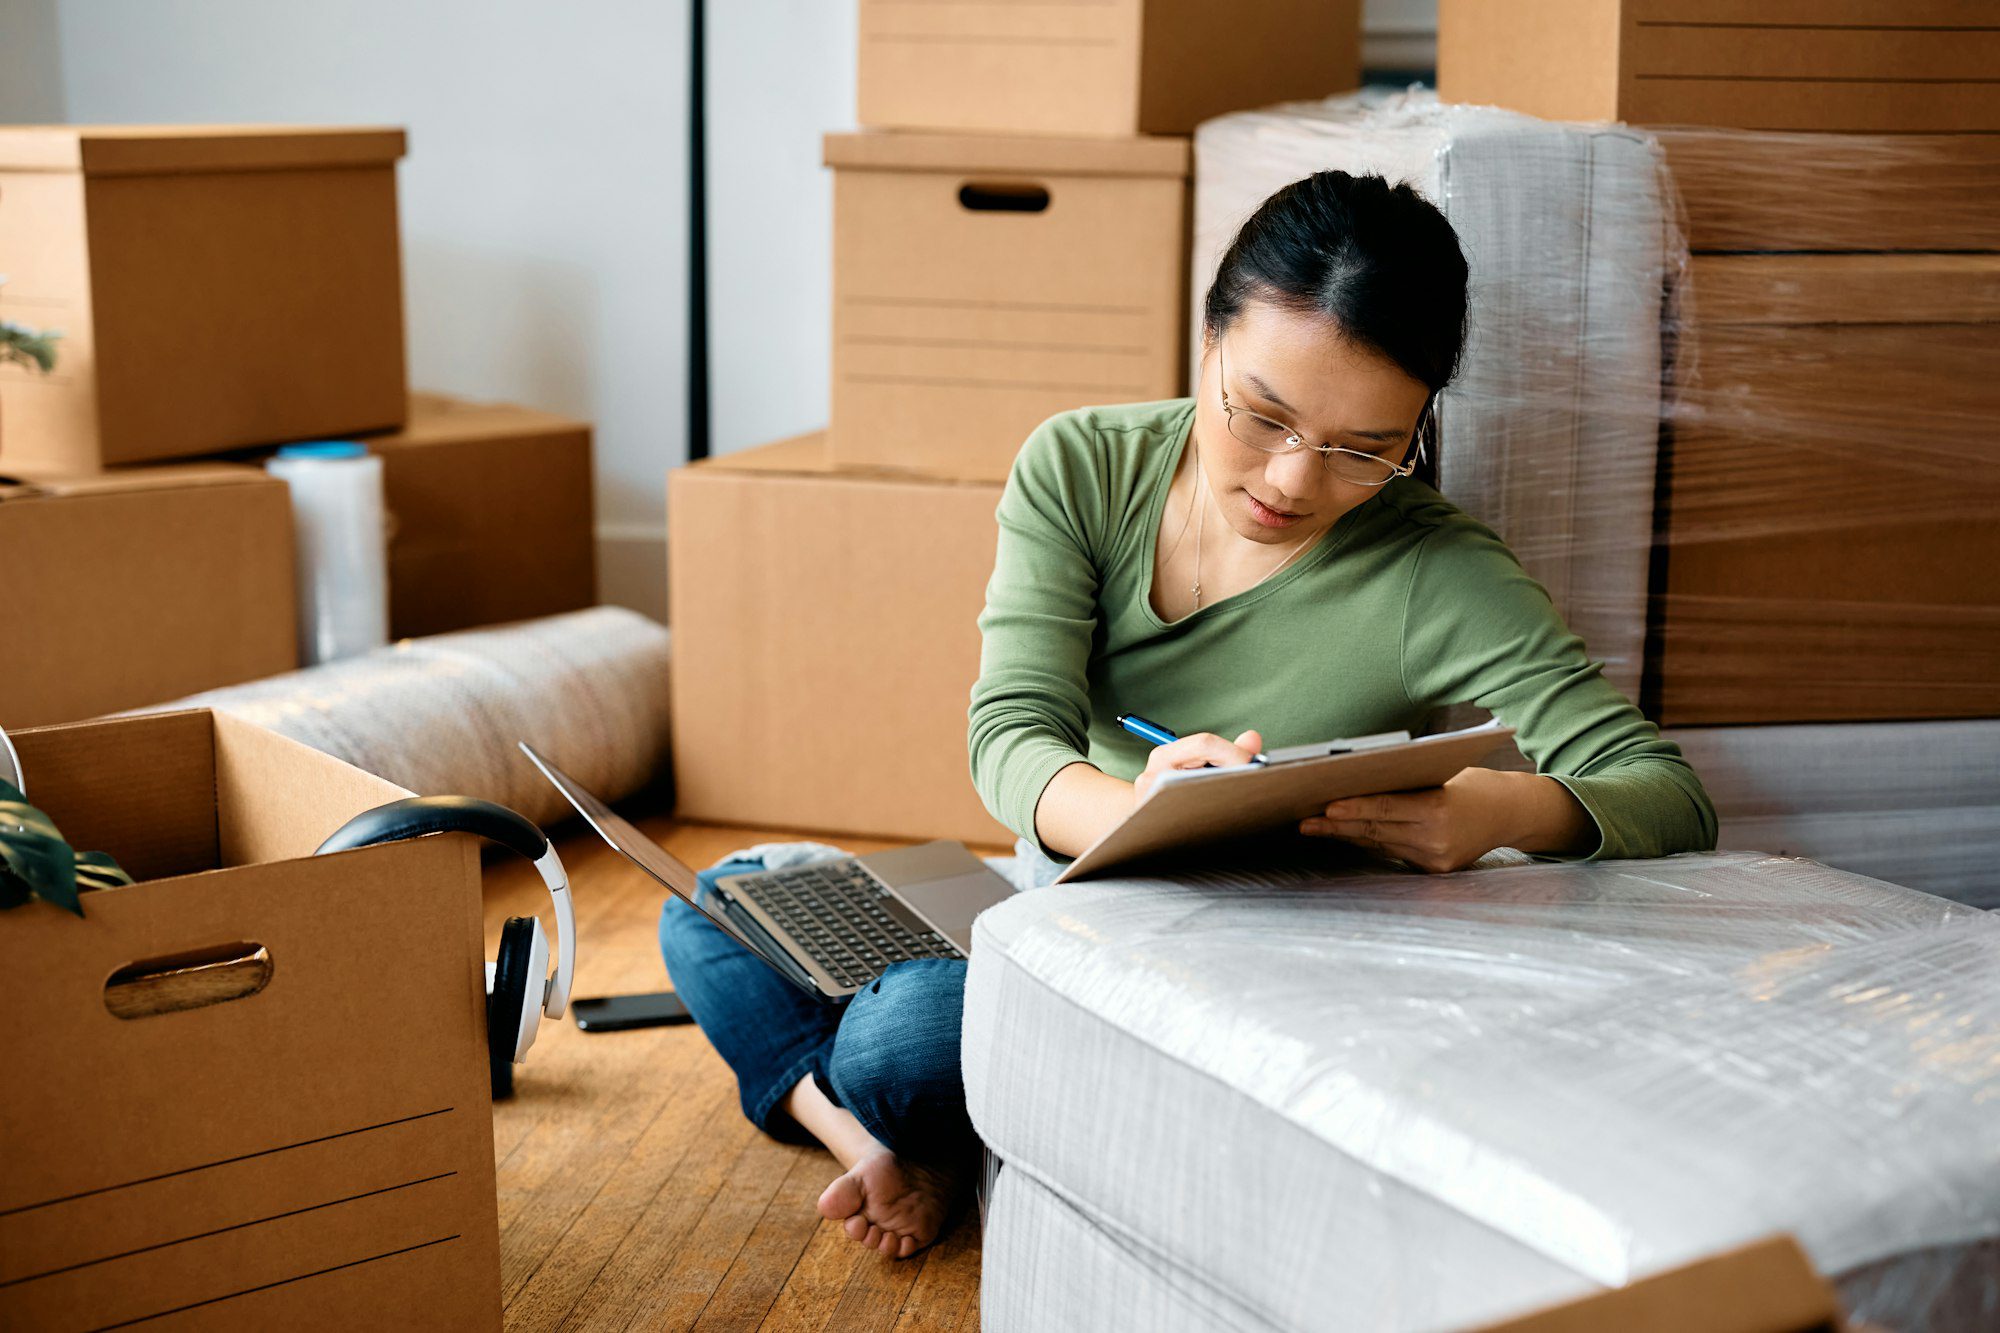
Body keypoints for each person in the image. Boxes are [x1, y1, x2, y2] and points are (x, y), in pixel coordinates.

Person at [659, 169, 1718, 1261]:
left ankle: (901, 1116)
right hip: (1050, 900)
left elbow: (1664, 795)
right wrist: (1135, 807)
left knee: (903, 1034)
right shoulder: (1081, 464)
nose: (1293, 480)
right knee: (713, 902)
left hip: (1225, 969)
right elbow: (1010, 733)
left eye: (1365, 448)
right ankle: (873, 1143)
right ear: (1205, 338)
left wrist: (1495, 808)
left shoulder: (1435, 571)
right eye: (1260, 414)